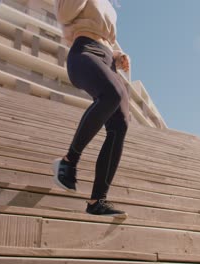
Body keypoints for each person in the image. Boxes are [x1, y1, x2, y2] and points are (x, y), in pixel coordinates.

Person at [52, 0, 130, 218]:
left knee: (121, 123)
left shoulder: (109, 8)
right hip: (84, 51)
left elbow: (106, 39)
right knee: (112, 95)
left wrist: (118, 56)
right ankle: (68, 162)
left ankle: (97, 200)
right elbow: (64, 15)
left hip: (108, 60)